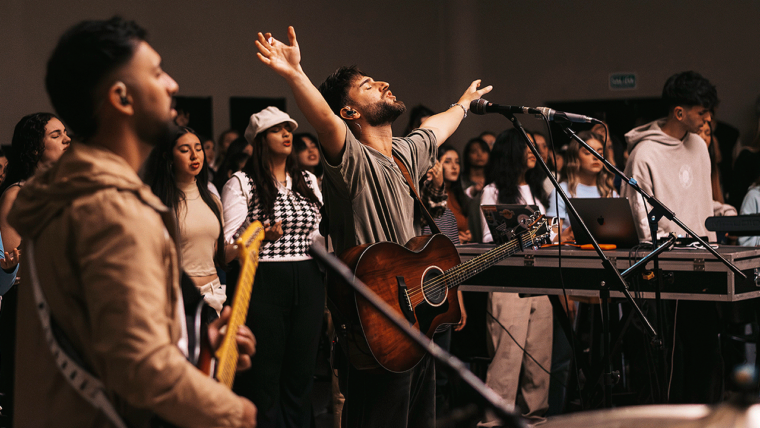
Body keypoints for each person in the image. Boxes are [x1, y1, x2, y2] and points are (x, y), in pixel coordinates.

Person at [8, 17, 256, 427]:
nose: (172, 84)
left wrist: (196, 342)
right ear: (122, 98)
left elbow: (97, 332)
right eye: (157, 72)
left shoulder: (72, 194)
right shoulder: (110, 210)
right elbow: (140, 366)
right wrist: (234, 414)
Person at [255, 26, 491, 428]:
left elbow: (436, 127)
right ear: (350, 112)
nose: (383, 83)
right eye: (368, 85)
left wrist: (464, 105)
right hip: (376, 327)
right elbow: (326, 122)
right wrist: (295, 73)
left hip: (416, 321)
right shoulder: (352, 162)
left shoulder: (404, 154)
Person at [620, 70, 721, 404]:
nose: (708, 119)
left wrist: (723, 216)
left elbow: (700, 201)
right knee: (671, 361)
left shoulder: (700, 147)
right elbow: (640, 221)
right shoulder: (644, 155)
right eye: (702, 111)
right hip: (668, 272)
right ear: (680, 112)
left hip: (707, 266)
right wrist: (677, 243)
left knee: (705, 355)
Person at [221, 106, 324, 428]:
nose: (287, 134)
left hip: (308, 276)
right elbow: (226, 248)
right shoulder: (241, 181)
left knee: (301, 371)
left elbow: (319, 234)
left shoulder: (306, 178)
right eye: (277, 130)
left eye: (289, 128)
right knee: (265, 373)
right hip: (264, 276)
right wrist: (261, 236)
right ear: (260, 140)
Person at [478, 128, 552, 423]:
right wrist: (537, 234)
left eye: (536, 147)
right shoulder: (493, 190)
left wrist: (553, 235)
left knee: (539, 369)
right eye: (528, 147)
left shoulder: (539, 189)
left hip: (540, 284)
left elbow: (546, 238)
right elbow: (488, 238)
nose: (535, 153)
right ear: (512, 152)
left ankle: (536, 422)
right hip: (508, 285)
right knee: (505, 367)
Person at [0, 111, 71, 420]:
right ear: (34, 149)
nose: (67, 139)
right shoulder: (17, 195)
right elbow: (13, 263)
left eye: (65, 133)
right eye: (55, 135)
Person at [145, 126, 228, 314]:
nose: (194, 155)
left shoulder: (212, 200)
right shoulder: (157, 202)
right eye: (184, 150)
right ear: (169, 157)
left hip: (214, 294)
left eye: (198, 148)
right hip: (178, 296)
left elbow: (216, 255)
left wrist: (244, 246)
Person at [547, 130, 617, 241]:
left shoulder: (610, 192)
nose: (595, 157)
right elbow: (552, 236)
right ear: (575, 157)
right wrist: (567, 237)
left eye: (600, 153)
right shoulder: (562, 191)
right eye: (588, 152)